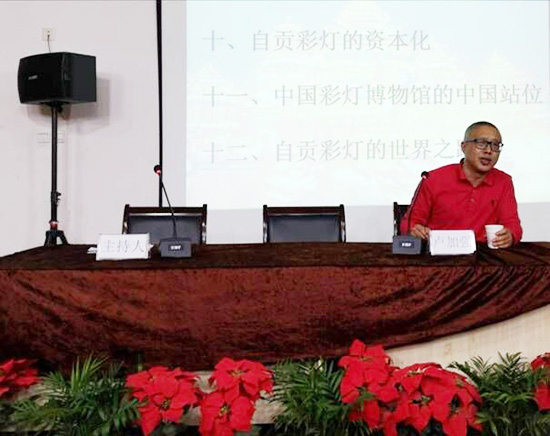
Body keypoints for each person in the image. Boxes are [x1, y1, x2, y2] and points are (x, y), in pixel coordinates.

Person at [400, 121, 522, 248]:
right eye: (481, 143)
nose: (489, 150)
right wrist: (415, 230)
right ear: (463, 147)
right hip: (439, 254)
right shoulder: (433, 179)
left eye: (495, 145)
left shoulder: (503, 181)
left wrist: (510, 235)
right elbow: (409, 224)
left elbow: (513, 226)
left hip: (483, 255)